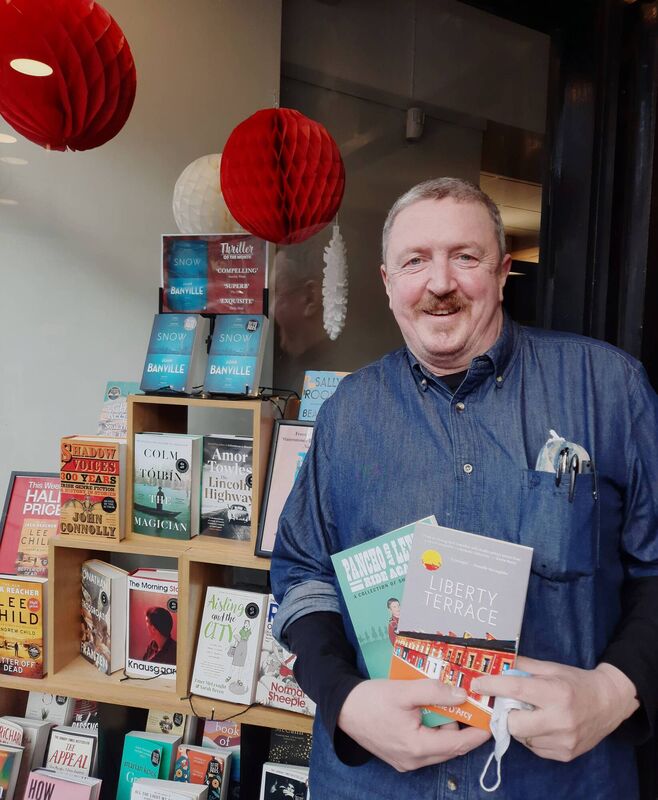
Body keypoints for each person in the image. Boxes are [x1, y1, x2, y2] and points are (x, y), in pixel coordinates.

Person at [270, 177, 658, 799]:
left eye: (465, 257)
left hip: (557, 783)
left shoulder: (609, 390)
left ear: (503, 272)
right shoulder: (348, 412)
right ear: (388, 282)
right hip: (376, 783)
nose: (441, 283)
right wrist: (345, 701)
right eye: (415, 261)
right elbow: (301, 575)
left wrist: (616, 691)